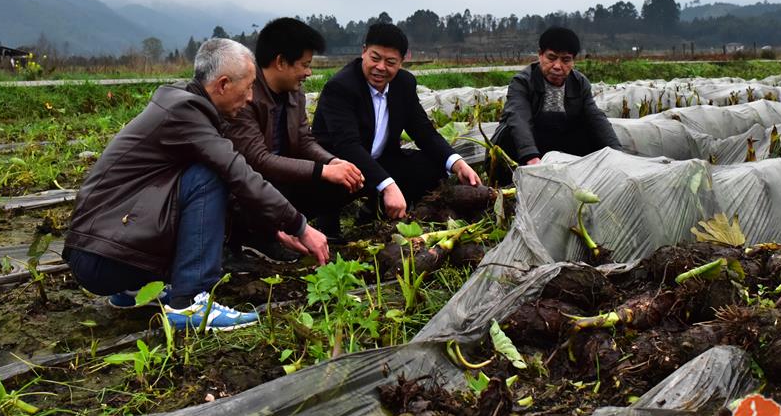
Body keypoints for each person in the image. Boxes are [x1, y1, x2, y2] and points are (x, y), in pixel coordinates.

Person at [63, 38, 331, 330]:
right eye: (249, 86)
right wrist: (300, 226)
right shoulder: (185, 114)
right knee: (210, 175)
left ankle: (134, 292)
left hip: (99, 251)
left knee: (206, 178)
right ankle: (189, 301)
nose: (252, 97)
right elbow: (239, 174)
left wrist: (274, 227)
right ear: (223, 84)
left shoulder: (185, 105)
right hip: (103, 256)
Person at [311, 22, 480, 223]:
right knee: (339, 182)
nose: (381, 68)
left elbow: (423, 132)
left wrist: (457, 163)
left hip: (380, 159)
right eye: (375, 58)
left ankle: (377, 212)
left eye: (390, 62)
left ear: (402, 61)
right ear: (364, 52)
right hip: (340, 165)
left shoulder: (403, 84)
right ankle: (328, 223)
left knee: (431, 167)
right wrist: (388, 185)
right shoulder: (341, 87)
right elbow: (347, 146)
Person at [225, 17, 364, 255]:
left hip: (282, 181)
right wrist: (322, 170)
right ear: (280, 62)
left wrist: (332, 162)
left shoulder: (294, 95)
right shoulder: (246, 95)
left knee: (345, 180)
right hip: (248, 188)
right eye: (304, 64)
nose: (309, 72)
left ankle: (287, 229)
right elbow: (258, 159)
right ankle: (254, 238)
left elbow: (303, 140)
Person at [490, 27, 620, 180]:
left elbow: (596, 118)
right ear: (540, 55)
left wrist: (616, 155)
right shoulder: (523, 82)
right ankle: (510, 180)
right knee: (510, 133)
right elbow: (519, 119)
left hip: (559, 148)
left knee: (589, 130)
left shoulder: (579, 83)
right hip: (525, 150)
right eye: (551, 58)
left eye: (565, 60)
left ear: (573, 61)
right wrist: (531, 157)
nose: (557, 66)